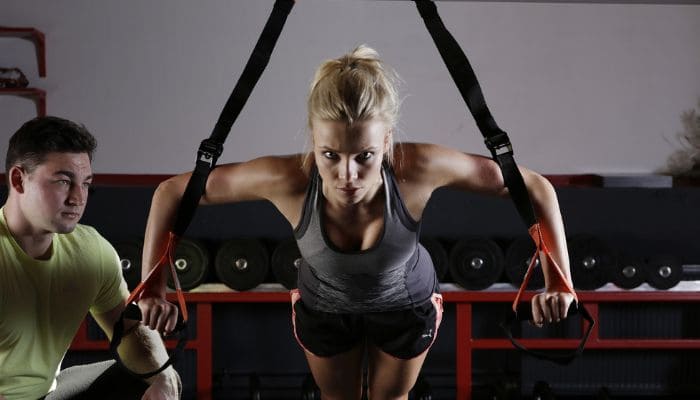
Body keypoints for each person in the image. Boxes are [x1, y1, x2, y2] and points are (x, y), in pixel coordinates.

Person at [138, 45, 575, 399]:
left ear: (386, 141)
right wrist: (152, 287)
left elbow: (533, 187)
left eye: (364, 156)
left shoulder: (416, 167)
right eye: (331, 155)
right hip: (325, 307)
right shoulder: (288, 179)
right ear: (314, 139)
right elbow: (172, 192)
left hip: (406, 305)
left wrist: (560, 281)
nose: (347, 174)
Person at [0, 116, 181, 400]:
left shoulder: (90, 250)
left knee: (146, 377)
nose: (77, 198)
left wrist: (165, 379)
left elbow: (131, 332)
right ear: (18, 180)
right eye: (63, 181)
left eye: (85, 184)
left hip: (46, 393)